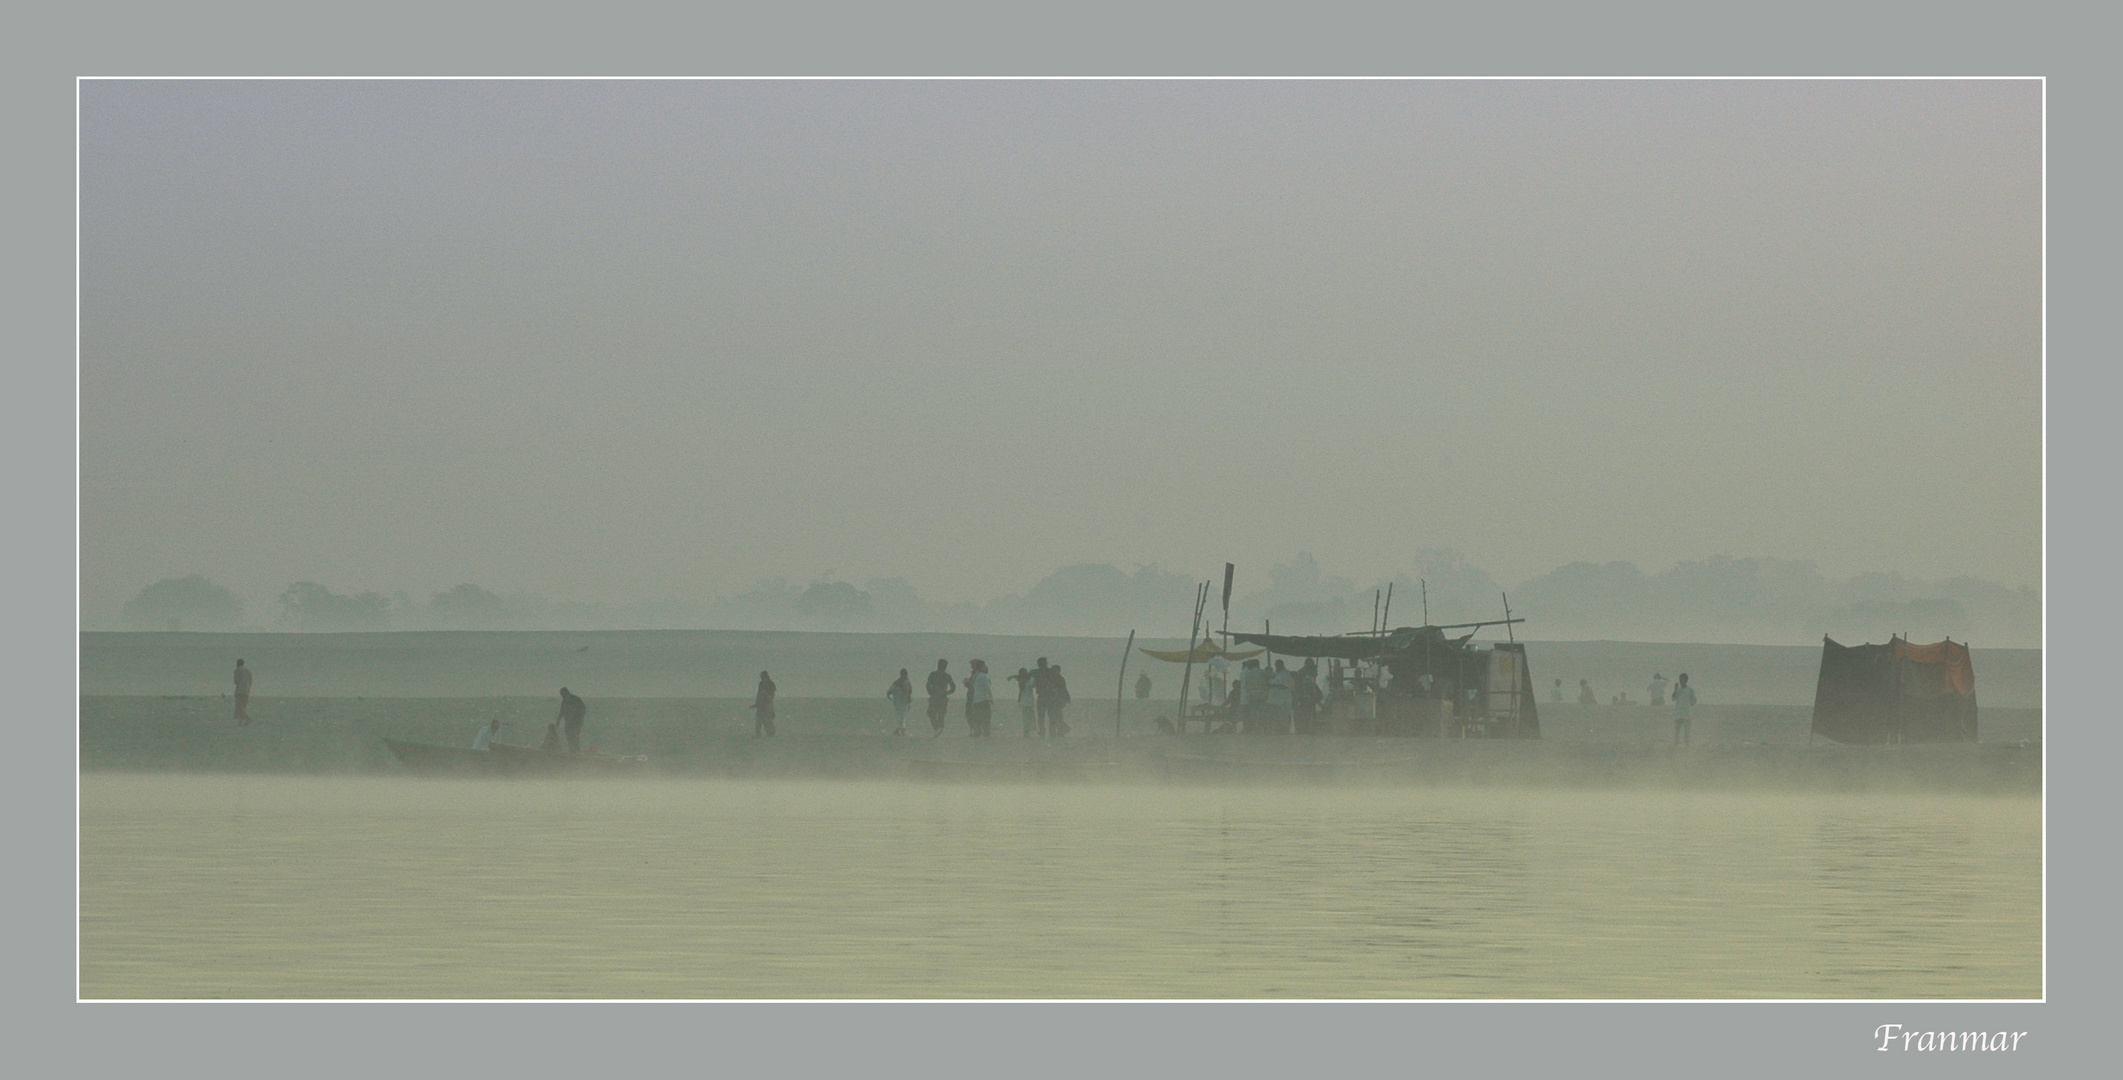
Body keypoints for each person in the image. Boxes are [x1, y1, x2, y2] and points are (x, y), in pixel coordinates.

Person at [925, 659, 956, 737]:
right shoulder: (946, 676)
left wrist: (931, 692)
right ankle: (939, 728)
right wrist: (947, 693)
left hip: (936, 697)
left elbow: (928, 685)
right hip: (941, 697)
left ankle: (937, 728)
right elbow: (953, 687)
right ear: (945, 667)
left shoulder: (933, 674)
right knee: (940, 714)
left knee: (932, 713)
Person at [965, 659, 993, 737]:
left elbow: (982, 687)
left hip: (975, 698)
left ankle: (978, 732)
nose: (971, 666)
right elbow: (987, 687)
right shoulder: (979, 675)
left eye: (973, 664)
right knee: (980, 716)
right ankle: (981, 732)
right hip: (977, 698)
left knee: (976, 716)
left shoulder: (978, 675)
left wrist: (968, 683)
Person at [1267, 660, 1295, 735]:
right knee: (1277, 717)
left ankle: (1285, 731)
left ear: (1281, 665)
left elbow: (1284, 685)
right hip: (1276, 700)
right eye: (1276, 665)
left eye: (1278, 665)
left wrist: (1272, 683)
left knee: (1284, 716)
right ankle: (1278, 731)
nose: (1276, 667)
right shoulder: (1276, 673)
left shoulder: (1285, 673)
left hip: (1284, 699)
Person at [1031, 657, 1056, 737]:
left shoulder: (1036, 672)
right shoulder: (1051, 672)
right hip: (1050, 696)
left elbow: (1026, 677)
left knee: (1041, 716)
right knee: (1051, 715)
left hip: (1042, 696)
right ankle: (1052, 732)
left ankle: (1042, 732)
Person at [1010, 666, 1038, 737]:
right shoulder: (1029, 680)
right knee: (1030, 717)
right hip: (1029, 701)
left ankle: (1026, 732)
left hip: (1023, 701)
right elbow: (1033, 684)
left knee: (1025, 717)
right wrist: (1032, 675)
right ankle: (1028, 731)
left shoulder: (1021, 680)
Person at [557, 687, 588, 751]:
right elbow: (562, 711)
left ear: (566, 693)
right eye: (561, 695)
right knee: (569, 736)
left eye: (563, 695)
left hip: (576, 723)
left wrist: (580, 719)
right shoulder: (564, 701)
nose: (562, 696)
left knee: (575, 737)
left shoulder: (576, 699)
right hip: (568, 722)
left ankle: (576, 751)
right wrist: (558, 720)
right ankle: (571, 750)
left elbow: (583, 709)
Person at [1046, 664, 1072, 736]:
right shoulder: (1059, 678)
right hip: (1059, 700)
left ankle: (1057, 732)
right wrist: (1067, 698)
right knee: (1057, 716)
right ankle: (1060, 731)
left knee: (1053, 717)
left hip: (1055, 700)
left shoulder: (1055, 678)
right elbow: (1064, 689)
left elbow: (1061, 689)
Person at [887, 669, 914, 736]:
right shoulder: (897, 682)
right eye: (904, 674)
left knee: (902, 715)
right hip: (898, 702)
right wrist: (888, 695)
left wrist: (909, 700)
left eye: (906, 674)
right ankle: (900, 729)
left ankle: (900, 729)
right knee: (900, 715)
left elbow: (909, 692)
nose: (905, 675)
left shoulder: (906, 682)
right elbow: (890, 691)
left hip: (903, 702)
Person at [1672, 673, 1696, 746]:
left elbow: (1693, 701)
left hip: (1687, 713)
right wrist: (1675, 689)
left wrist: (1688, 706)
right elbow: (1673, 698)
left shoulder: (1690, 690)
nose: (1681, 681)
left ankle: (1687, 743)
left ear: (1686, 680)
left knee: (1687, 730)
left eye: (1682, 679)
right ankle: (1676, 743)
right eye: (1680, 679)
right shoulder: (1678, 690)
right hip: (1678, 713)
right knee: (1677, 730)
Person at [751, 671, 778, 737]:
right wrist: (756, 703)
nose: (761, 678)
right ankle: (758, 734)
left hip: (767, 704)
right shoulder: (761, 683)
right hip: (760, 704)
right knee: (759, 720)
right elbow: (759, 694)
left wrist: (770, 705)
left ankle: (771, 732)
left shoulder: (771, 684)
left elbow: (772, 695)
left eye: (762, 676)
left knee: (767, 719)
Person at [233, 659, 255, 726]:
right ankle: (241, 722)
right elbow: (251, 681)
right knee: (243, 706)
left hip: (239, 691)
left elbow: (236, 681)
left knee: (239, 707)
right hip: (246, 691)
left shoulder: (237, 670)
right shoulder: (248, 671)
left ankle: (247, 719)